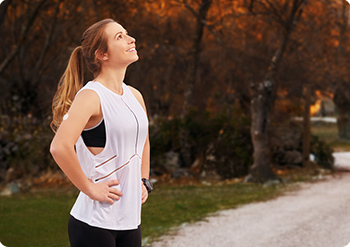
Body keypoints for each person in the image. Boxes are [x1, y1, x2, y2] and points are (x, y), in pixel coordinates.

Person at [50, 18, 152, 247]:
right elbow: (59, 147)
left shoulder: (135, 95)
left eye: (126, 33)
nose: (131, 39)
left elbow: (143, 141)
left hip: (130, 221)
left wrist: (144, 180)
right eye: (119, 37)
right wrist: (90, 188)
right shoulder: (91, 96)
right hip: (94, 223)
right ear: (102, 55)